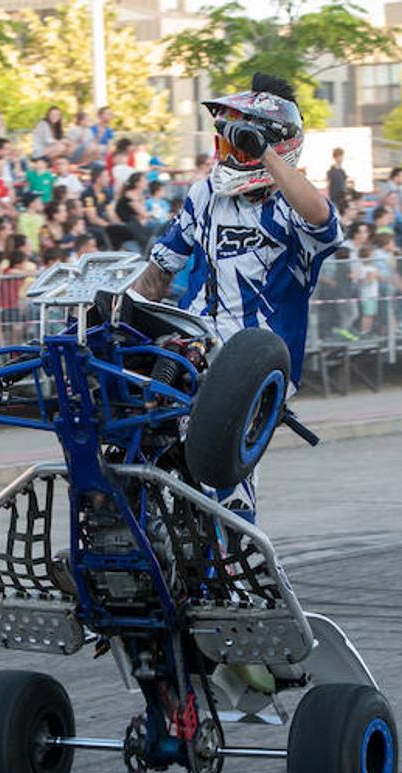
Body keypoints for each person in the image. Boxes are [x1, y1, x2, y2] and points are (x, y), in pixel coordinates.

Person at [131, 72, 341, 519]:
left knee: (219, 480)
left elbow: (322, 217)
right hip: (190, 352)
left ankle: (229, 571)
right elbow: (157, 275)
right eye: (226, 142)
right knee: (127, 440)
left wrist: (262, 152)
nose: (228, 153)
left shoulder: (293, 208)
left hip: (252, 365)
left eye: (239, 144)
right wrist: (107, 316)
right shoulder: (204, 195)